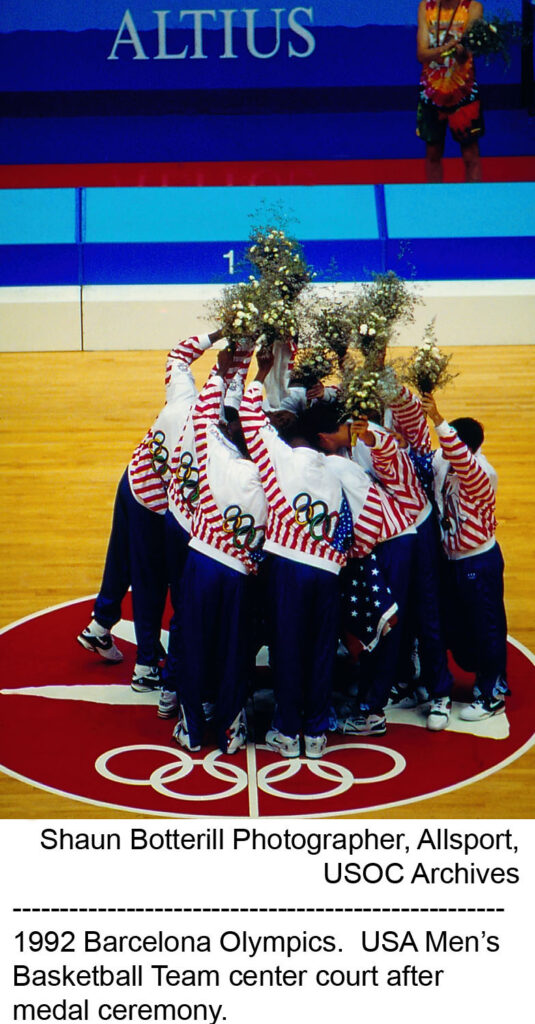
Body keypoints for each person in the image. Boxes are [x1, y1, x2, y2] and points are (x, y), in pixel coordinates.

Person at [76, 329, 223, 692]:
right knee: (150, 582)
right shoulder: (205, 440)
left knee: (121, 557)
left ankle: (101, 622)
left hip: (130, 481)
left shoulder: (180, 398)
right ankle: (145, 665)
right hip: (153, 506)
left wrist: (223, 335)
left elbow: (179, 354)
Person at [240, 349, 353, 759]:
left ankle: (288, 732)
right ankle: (317, 733)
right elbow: (348, 528)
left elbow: (251, 421)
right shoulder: (336, 470)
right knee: (321, 648)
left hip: (288, 565)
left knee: (287, 646)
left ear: (289, 442)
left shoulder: (279, 460)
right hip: (327, 571)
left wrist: (262, 373)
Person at [172, 348, 267, 756]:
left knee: (193, 643)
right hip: (239, 576)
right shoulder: (272, 472)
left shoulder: (214, 455)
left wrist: (222, 369)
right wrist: (262, 376)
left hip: (201, 563)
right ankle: (230, 728)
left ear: (231, 434)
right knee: (234, 649)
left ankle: (192, 727)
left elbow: (204, 412)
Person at [420, 392, 508, 720]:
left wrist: (439, 420)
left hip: (478, 560)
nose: (444, 452)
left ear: (467, 448)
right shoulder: (444, 459)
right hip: (450, 558)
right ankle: (442, 686)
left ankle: (492, 694)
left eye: (452, 445)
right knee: (451, 625)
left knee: (487, 628)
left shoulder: (483, 472)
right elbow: (426, 460)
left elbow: (460, 459)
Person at [417, 0, 484, 182]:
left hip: (464, 92)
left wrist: (461, 52)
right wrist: (445, 49)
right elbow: (421, 54)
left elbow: (467, 51)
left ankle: (474, 202)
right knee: (432, 154)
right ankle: (434, 201)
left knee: (471, 155)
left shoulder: (473, 8)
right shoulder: (426, 7)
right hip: (432, 92)